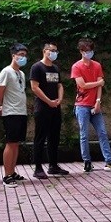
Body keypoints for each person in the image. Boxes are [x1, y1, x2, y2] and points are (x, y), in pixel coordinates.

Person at [70, 39, 111, 173]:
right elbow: (82, 85)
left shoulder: (97, 65)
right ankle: (87, 162)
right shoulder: (76, 66)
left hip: (94, 104)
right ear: (81, 51)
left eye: (91, 50)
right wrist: (98, 83)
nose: (89, 53)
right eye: (86, 51)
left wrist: (98, 101)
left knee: (102, 133)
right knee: (84, 135)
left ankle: (109, 161)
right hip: (81, 105)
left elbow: (99, 86)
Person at [30, 42, 68, 179]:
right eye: (51, 50)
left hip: (55, 108)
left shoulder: (55, 68)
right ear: (44, 51)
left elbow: (59, 85)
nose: (54, 53)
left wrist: (59, 99)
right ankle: (38, 168)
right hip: (42, 108)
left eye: (56, 51)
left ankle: (53, 165)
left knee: (54, 137)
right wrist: (48, 101)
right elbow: (35, 87)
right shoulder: (37, 67)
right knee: (40, 138)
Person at [0, 43, 29, 186]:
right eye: (20, 54)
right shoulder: (6, 71)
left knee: (16, 143)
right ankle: (7, 175)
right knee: (10, 142)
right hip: (11, 112)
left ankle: (12, 171)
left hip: (21, 111)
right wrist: (3, 105)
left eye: (24, 55)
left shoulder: (21, 73)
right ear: (13, 55)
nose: (23, 57)